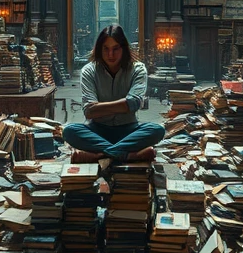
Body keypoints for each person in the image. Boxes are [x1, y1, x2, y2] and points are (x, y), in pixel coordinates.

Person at [61, 24, 165, 160]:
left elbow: (134, 103)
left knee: (157, 130)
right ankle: (129, 155)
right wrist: (124, 105)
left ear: (123, 49)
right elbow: (89, 111)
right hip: (97, 131)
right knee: (69, 131)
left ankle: (99, 155)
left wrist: (99, 108)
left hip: (129, 130)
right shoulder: (89, 71)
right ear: (99, 49)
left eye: (116, 49)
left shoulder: (138, 69)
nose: (111, 55)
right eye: (106, 49)